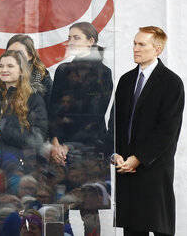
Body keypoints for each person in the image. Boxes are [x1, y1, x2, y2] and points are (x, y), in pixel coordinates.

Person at [107, 26, 184, 236]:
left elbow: (168, 130)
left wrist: (139, 158)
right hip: (126, 169)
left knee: (159, 226)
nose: (135, 48)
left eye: (141, 44)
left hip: (154, 169)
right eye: (134, 43)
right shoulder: (125, 81)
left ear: (157, 49)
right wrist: (117, 154)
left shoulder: (171, 83)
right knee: (132, 229)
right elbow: (116, 122)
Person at [47, 22, 113, 236]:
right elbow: (53, 109)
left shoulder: (104, 73)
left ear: (91, 41)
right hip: (61, 151)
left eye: (76, 37)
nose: (71, 42)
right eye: (70, 37)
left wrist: (69, 145)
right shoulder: (63, 70)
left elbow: (95, 114)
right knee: (58, 208)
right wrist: (56, 142)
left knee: (89, 210)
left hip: (90, 150)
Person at [0, 51, 48, 232]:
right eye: (1, 66)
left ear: (22, 70)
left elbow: (37, 139)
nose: (4, 70)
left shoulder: (34, 98)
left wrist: (4, 129)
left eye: (10, 66)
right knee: (1, 226)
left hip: (20, 171)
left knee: (21, 226)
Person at [5, 34, 53, 101]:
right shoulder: (0, 78)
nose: (13, 56)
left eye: (19, 53)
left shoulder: (43, 79)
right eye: (10, 52)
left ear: (30, 55)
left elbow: (50, 108)